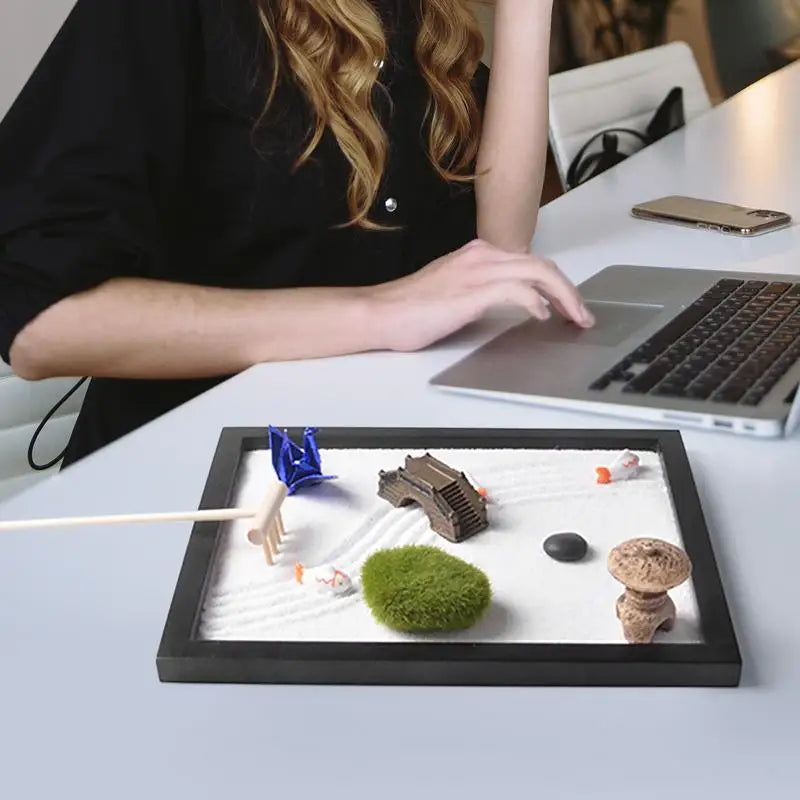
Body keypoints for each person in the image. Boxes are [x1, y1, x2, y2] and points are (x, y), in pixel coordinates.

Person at [0, 0, 594, 467]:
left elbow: (502, 239)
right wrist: (378, 312)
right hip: (189, 477)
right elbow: (39, 325)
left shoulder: (421, 16)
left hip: (370, 450)